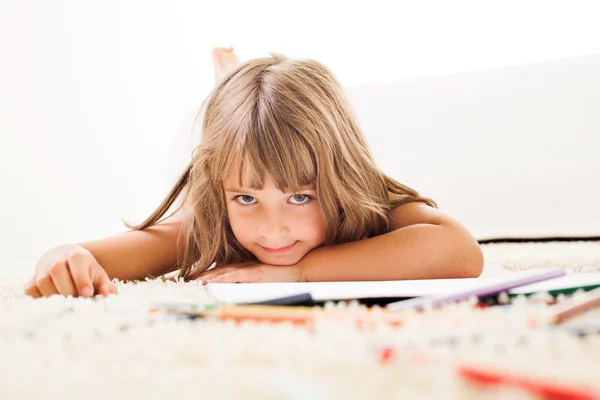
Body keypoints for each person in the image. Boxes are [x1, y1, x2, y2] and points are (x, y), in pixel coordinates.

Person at [24, 48, 483, 298]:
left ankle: (231, 75)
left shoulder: (362, 199)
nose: (273, 229)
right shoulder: (211, 215)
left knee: (254, 143)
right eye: (247, 198)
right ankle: (229, 78)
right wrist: (65, 255)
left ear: (339, 181)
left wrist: (299, 274)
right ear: (224, 193)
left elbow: (460, 251)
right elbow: (108, 255)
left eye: (301, 197)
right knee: (232, 140)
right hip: (220, 166)